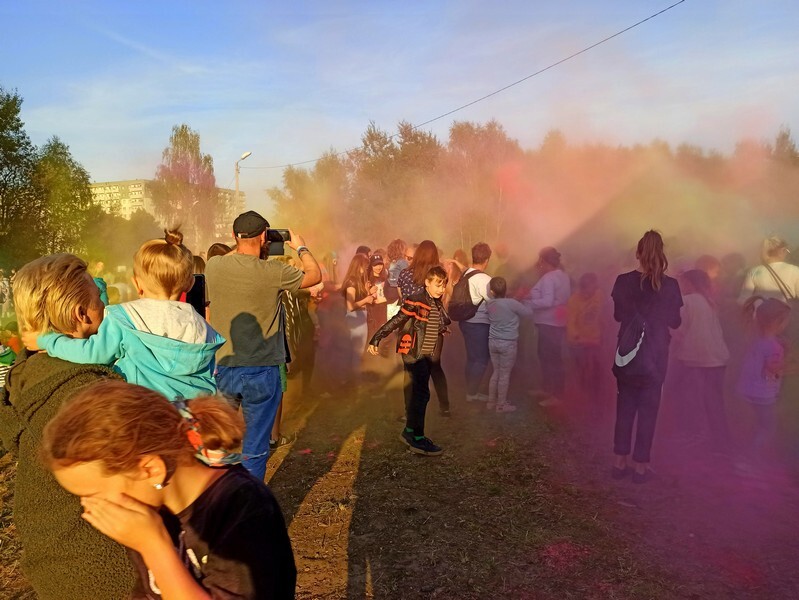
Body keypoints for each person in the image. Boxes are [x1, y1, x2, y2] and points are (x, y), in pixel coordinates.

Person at [41, 380, 297, 599]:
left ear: (151, 469)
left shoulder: (243, 508)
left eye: (93, 494)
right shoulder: (152, 507)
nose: (87, 508)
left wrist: (154, 545)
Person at [0, 254, 136, 599]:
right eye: (99, 298)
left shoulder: (27, 378)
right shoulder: (86, 393)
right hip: (104, 567)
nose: (104, 305)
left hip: (52, 561)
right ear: (81, 313)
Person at [27, 229, 224, 401]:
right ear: (189, 284)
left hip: (146, 416)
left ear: (136, 284)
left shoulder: (124, 318)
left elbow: (91, 353)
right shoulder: (203, 328)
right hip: (194, 421)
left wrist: (47, 341)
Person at [205, 210, 321, 480]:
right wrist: (300, 245)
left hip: (225, 366)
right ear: (263, 236)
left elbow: (233, 254)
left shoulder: (215, 267)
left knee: (219, 445)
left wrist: (246, 243)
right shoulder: (274, 271)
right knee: (255, 448)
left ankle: (217, 498)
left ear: (234, 236)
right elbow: (314, 276)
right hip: (262, 371)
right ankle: (250, 504)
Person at [611, 231, 682, 484]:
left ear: (638, 254)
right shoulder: (671, 285)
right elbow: (675, 321)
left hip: (628, 353)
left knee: (625, 406)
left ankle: (619, 462)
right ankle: (641, 465)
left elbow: (619, 317)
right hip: (656, 353)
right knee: (649, 409)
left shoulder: (622, 281)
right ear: (662, 254)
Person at [368, 266, 451, 455]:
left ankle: (409, 432)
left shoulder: (435, 301)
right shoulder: (416, 300)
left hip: (427, 354)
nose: (441, 289)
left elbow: (437, 320)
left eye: (443, 285)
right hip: (415, 354)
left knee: (420, 394)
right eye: (437, 285)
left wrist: (441, 328)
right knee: (421, 395)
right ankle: (418, 439)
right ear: (427, 283)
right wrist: (377, 337)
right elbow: (398, 319)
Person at [672, 269, 731, 452]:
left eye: (683, 282)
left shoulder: (686, 301)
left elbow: (678, 331)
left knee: (689, 398)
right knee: (713, 401)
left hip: (696, 359)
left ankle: (694, 435)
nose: (681, 286)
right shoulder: (709, 301)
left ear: (690, 283)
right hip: (718, 358)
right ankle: (721, 442)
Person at [397, 240, 451, 415]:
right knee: (435, 365)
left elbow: (403, 299)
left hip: (409, 325)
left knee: (409, 370)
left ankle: (408, 412)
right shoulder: (437, 275)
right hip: (432, 324)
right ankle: (445, 407)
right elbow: (440, 301)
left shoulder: (404, 274)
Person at [736, 298, 790, 460]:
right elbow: (772, 370)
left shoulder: (755, 339)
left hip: (747, 390)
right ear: (777, 322)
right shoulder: (774, 347)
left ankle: (747, 451)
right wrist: (789, 366)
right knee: (768, 427)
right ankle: (750, 457)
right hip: (762, 394)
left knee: (758, 423)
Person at [526, 247, 571, 406]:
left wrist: (527, 303)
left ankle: (556, 395)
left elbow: (547, 301)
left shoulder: (549, 278)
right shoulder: (562, 276)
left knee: (551, 358)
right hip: (557, 322)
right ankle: (547, 389)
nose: (539, 263)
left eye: (540, 260)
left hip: (548, 323)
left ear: (545, 261)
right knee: (549, 357)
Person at [486, 276, 532, 412]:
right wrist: (526, 300)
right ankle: (501, 405)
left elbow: (500, 307)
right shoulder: (512, 303)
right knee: (504, 374)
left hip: (493, 341)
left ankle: (490, 402)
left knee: (496, 372)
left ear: (492, 292)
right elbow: (528, 313)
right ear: (506, 289)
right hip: (508, 343)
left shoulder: (490, 304)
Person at [459, 242, 493, 403]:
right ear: (486, 260)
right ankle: (472, 393)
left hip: (465, 321)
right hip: (479, 323)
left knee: (472, 357)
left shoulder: (465, 274)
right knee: (481, 358)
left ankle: (469, 390)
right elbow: (493, 302)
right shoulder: (484, 279)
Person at [566, 272, 603, 407]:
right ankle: (583, 398)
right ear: (582, 289)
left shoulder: (599, 295)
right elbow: (571, 324)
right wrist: (578, 338)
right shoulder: (574, 301)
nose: (590, 294)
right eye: (587, 291)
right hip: (579, 343)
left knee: (596, 372)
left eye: (593, 290)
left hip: (595, 340)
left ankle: (595, 401)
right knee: (581, 372)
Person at [341, 253, 376, 384]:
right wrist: (366, 299)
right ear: (358, 265)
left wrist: (368, 291)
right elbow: (350, 306)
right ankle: (353, 382)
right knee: (356, 352)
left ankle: (352, 380)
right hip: (355, 319)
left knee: (357, 351)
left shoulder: (358, 281)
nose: (366, 269)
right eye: (365, 266)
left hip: (360, 317)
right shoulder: (351, 281)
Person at [738, 235, 799, 304]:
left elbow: (743, 300)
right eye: (787, 251)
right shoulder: (795, 270)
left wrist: (756, 306)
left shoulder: (754, 271)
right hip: (787, 313)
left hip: (761, 313)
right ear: (782, 251)